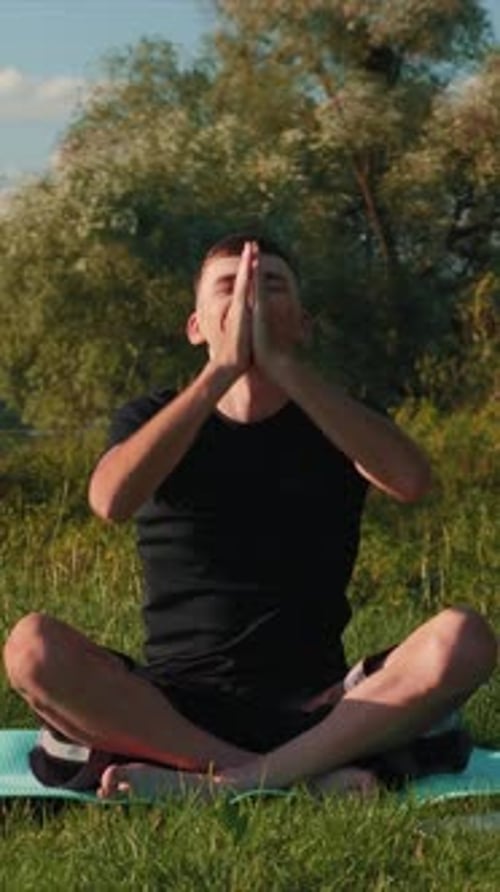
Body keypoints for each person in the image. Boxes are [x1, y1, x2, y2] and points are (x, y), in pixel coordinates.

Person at [3, 234, 497, 800]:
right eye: (229, 285)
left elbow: (411, 482)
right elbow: (110, 501)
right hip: (172, 708)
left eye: (270, 283)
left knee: (466, 637)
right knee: (31, 648)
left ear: (304, 324)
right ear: (196, 326)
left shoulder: (339, 419)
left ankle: (229, 783)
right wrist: (220, 371)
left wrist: (283, 367)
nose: (249, 297)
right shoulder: (154, 416)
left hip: (323, 706)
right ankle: (281, 777)